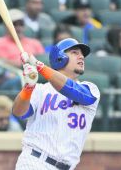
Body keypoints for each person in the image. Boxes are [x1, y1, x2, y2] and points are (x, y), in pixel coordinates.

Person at [12, 38, 100, 169]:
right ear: (60, 57)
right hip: (35, 161)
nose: (81, 57)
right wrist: (28, 88)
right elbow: (19, 112)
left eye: (82, 54)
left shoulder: (90, 89)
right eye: (75, 52)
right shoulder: (40, 90)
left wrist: (39, 66)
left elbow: (72, 90)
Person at [0, 9, 45, 90]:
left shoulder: (35, 43)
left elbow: (42, 64)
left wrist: (10, 62)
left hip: (34, 77)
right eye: (14, 24)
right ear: (6, 26)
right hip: (9, 80)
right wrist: (23, 65)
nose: (18, 28)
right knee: (19, 80)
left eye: (21, 24)